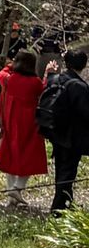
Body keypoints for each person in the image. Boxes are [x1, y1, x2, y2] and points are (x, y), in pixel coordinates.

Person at [0, 50, 47, 202]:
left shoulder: (8, 79)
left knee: (9, 156)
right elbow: (43, 90)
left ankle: (12, 192)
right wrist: (48, 73)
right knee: (30, 156)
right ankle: (17, 188)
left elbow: (0, 73)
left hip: (10, 122)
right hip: (30, 124)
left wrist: (10, 65)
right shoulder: (35, 82)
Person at [43, 48, 89, 213]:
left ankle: (66, 202)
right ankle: (58, 208)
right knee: (68, 171)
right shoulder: (79, 86)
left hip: (56, 132)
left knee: (61, 169)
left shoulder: (55, 79)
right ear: (84, 65)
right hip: (73, 136)